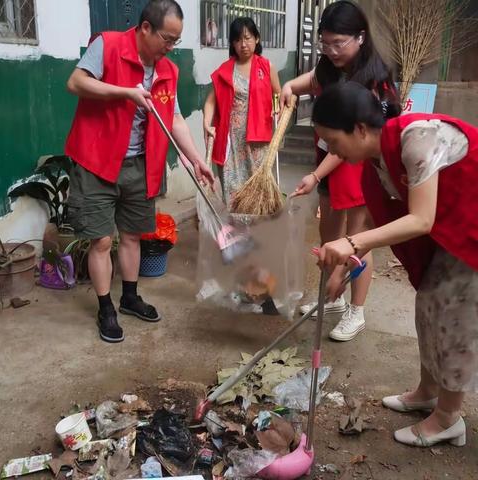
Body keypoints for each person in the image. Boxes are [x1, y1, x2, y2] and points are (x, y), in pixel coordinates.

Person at [313, 80, 478, 448]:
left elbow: (420, 220)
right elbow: (376, 220)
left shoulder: (416, 141)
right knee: (428, 304)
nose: (334, 152)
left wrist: (350, 242)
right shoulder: (375, 162)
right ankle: (427, 392)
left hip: (471, 224)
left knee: (454, 313)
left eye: (335, 142)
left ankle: (449, 419)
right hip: (451, 224)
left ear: (359, 129)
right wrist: (343, 268)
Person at [65, 0, 214, 343]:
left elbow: (174, 118)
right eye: (168, 38)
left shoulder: (168, 71)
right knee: (103, 239)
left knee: (132, 235)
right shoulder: (108, 45)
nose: (171, 47)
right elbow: (76, 82)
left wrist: (195, 159)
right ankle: (106, 308)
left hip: (140, 163)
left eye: (177, 40)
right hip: (97, 159)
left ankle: (129, 296)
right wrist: (125, 93)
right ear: (145, 28)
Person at [281, 0, 399, 342]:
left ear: (360, 38)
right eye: (325, 43)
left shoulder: (374, 80)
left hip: (359, 164)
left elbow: (350, 144)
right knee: (329, 234)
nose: (331, 50)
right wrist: (290, 87)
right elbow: (312, 79)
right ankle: (334, 300)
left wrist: (316, 175)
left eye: (338, 43)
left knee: (356, 239)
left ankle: (356, 311)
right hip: (331, 159)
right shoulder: (329, 68)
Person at [203, 17, 281, 207]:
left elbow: (278, 95)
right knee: (232, 188)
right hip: (231, 140)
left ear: (257, 39)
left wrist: (277, 112)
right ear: (232, 44)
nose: (243, 44)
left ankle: (254, 232)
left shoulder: (266, 67)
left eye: (247, 38)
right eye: (237, 40)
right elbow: (210, 102)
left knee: (256, 189)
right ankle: (236, 231)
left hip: (258, 141)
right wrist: (207, 122)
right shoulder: (225, 70)